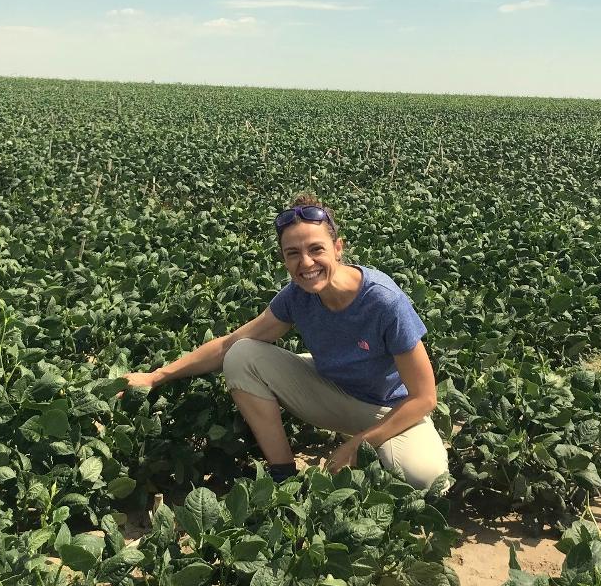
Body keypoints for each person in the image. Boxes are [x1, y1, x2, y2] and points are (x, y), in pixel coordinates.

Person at [121, 194, 449, 489]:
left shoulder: (383, 302)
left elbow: (424, 397)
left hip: (387, 410)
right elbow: (228, 344)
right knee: (242, 354)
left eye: (316, 249)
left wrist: (358, 445)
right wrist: (155, 376)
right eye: (293, 253)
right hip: (330, 392)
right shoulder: (296, 297)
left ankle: (374, 458)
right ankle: (283, 478)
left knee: (426, 477)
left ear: (338, 248)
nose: (305, 263)